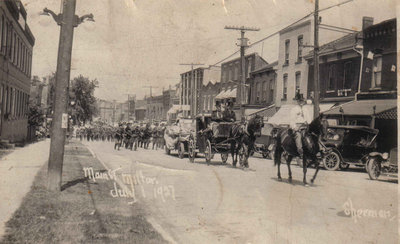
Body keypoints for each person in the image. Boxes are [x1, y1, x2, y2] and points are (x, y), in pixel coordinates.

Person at [290, 91, 307, 156]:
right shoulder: (294, 109)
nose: (301, 103)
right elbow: (292, 120)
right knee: (298, 136)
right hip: (297, 126)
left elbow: (308, 118)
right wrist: (295, 127)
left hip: (305, 126)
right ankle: (300, 151)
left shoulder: (305, 109)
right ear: (297, 101)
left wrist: (308, 123)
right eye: (300, 101)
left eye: (302, 101)